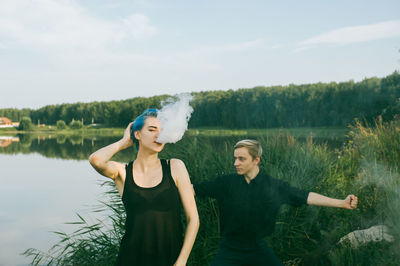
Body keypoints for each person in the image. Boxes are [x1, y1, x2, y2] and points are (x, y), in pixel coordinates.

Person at [193, 139, 358, 266]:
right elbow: (194, 189)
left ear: (256, 160)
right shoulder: (225, 183)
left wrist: (342, 203)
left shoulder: (273, 186)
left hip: (257, 249)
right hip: (229, 249)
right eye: (235, 158)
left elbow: (306, 196)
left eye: (241, 159)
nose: (235, 163)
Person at [89, 109, 199, 266]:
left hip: (169, 259)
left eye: (161, 131)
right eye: (151, 130)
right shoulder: (123, 172)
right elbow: (96, 160)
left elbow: (193, 219)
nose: (158, 135)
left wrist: (182, 261)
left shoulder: (175, 167)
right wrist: (123, 142)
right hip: (130, 259)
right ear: (137, 134)